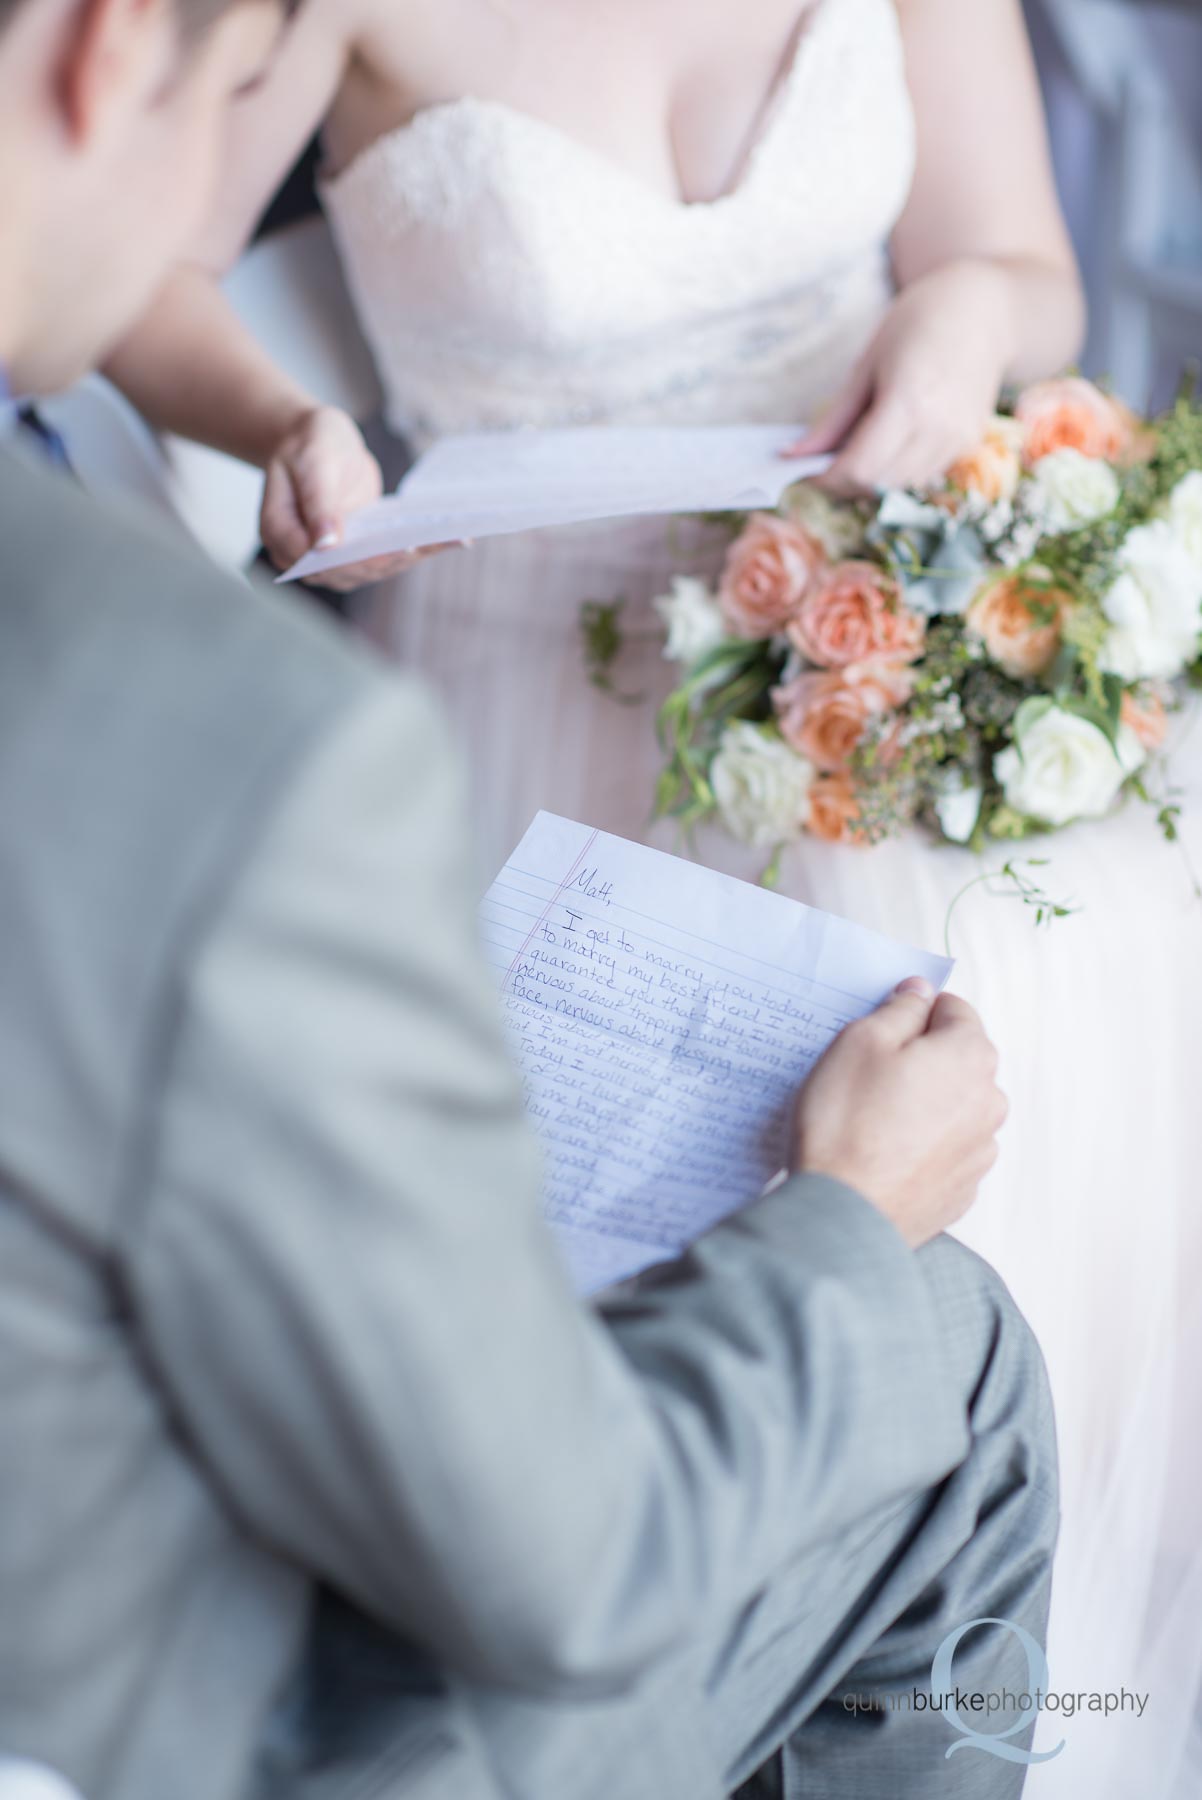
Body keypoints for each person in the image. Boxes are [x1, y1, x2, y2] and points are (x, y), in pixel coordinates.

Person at [98, 3, 1202, 1787]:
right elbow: (127, 264)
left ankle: (1013, 1701)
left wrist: (965, 320)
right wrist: (283, 414)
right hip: (517, 680)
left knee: (1062, 981)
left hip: (875, 638)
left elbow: (1020, 263)